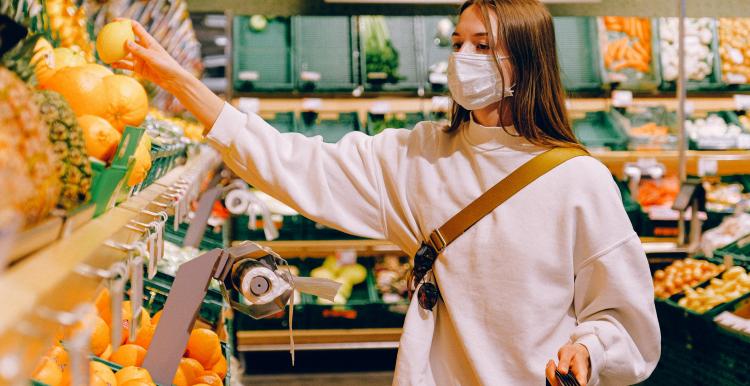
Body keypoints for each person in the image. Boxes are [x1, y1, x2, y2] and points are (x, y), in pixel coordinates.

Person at [115, 0, 661, 384]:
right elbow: (292, 161)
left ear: (526, 61)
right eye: (458, 42)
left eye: (483, 45)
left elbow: (624, 318)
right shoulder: (421, 156)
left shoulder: (577, 182)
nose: (463, 58)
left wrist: (589, 350)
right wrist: (180, 84)